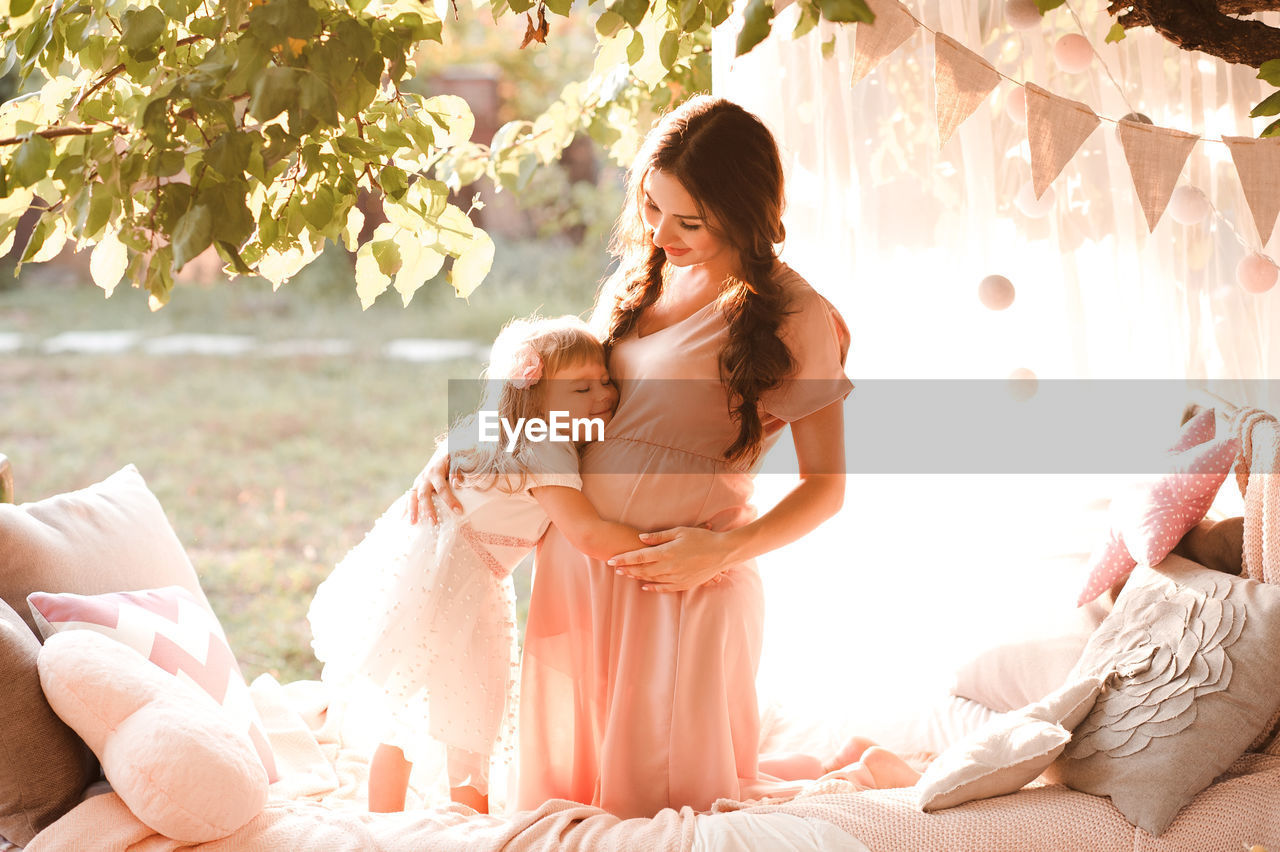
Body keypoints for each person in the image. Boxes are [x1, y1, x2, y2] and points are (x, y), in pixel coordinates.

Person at [412, 96, 902, 817]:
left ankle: (854, 767)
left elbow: (826, 487)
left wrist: (722, 551)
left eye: (688, 221)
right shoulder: (639, 283)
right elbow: (561, 406)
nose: (660, 232)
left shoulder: (796, 316)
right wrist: (467, 445)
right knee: (571, 807)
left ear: (743, 209)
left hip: (684, 586)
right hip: (578, 574)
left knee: (669, 807)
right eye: (650, 207)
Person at [309, 314, 650, 815]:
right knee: (464, 710)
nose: (604, 395)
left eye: (605, 381)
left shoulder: (500, 428)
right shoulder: (547, 448)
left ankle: (387, 820)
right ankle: (462, 823)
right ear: (533, 400)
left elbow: (461, 437)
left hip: (431, 571)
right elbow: (587, 533)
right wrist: (664, 544)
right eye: (581, 388)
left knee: (418, 708)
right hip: (458, 580)